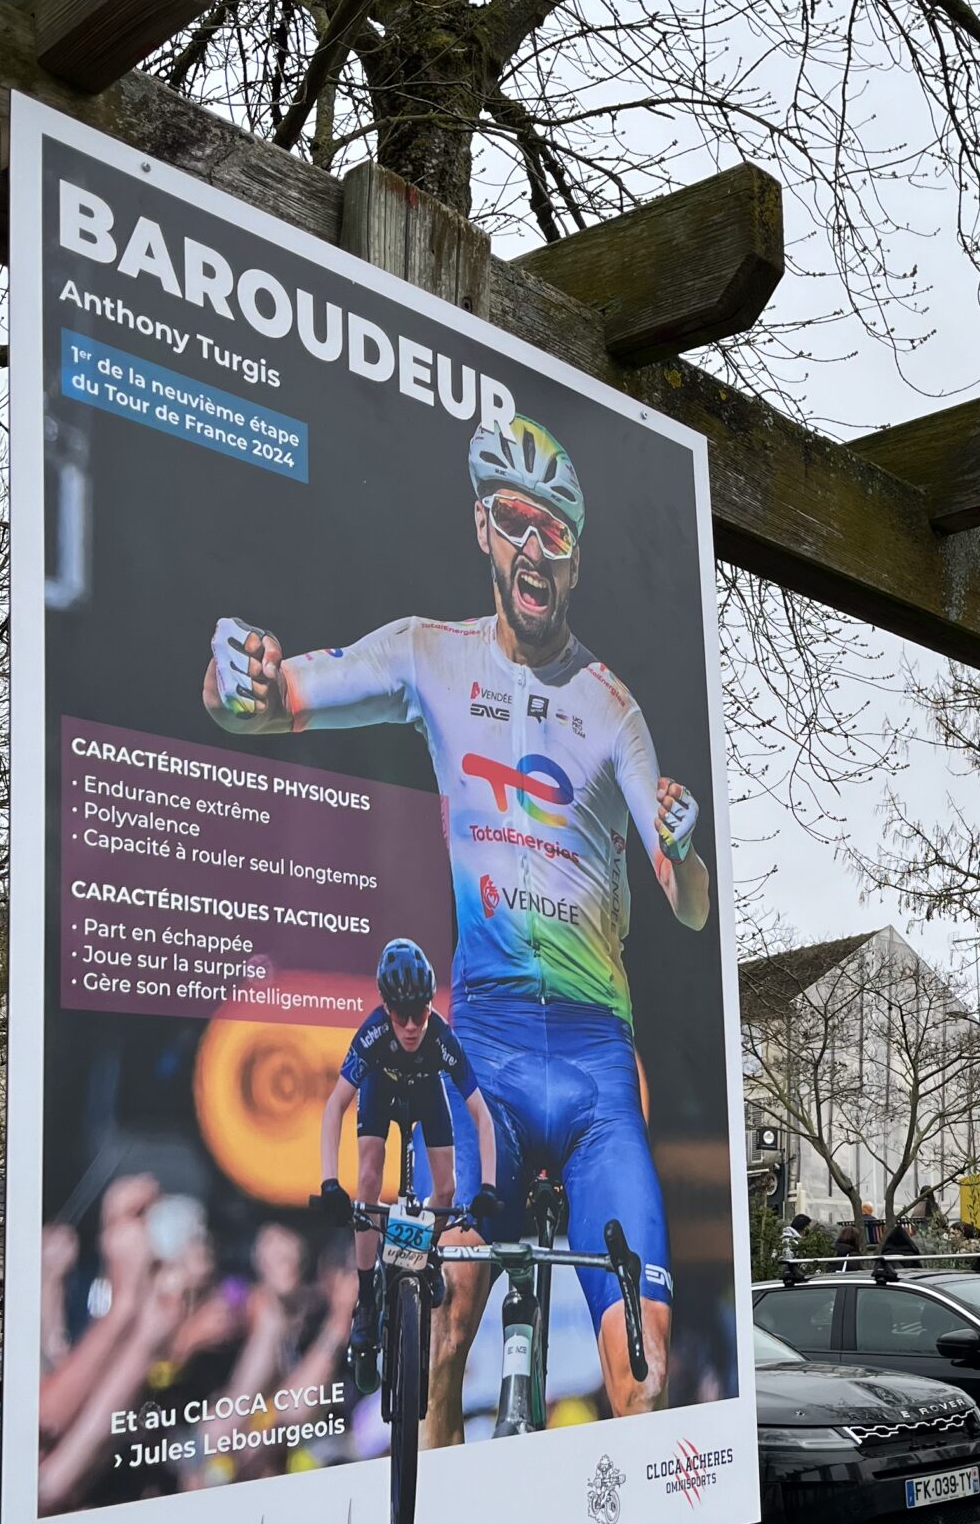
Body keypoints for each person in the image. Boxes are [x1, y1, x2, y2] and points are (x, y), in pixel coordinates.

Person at [204, 413, 712, 1433]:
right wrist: (231, 679)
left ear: (574, 558)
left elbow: (688, 905)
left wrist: (686, 847)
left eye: (554, 531)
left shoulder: (613, 707)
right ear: (484, 528)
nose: (534, 546)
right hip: (485, 1053)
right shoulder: (430, 655)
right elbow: (257, 703)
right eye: (515, 521)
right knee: (440, 1340)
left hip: (598, 1067)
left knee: (644, 1377)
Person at [316, 939, 500, 1367]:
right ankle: (366, 1296)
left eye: (421, 1011)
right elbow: (334, 1107)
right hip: (381, 1093)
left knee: (447, 1190)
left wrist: (488, 1186)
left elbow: (483, 1117)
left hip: (424, 1094)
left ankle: (426, 1256)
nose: (413, 1025)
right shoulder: (374, 1033)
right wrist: (329, 1182)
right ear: (386, 1008)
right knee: (367, 1179)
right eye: (402, 1014)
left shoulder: (441, 1036)